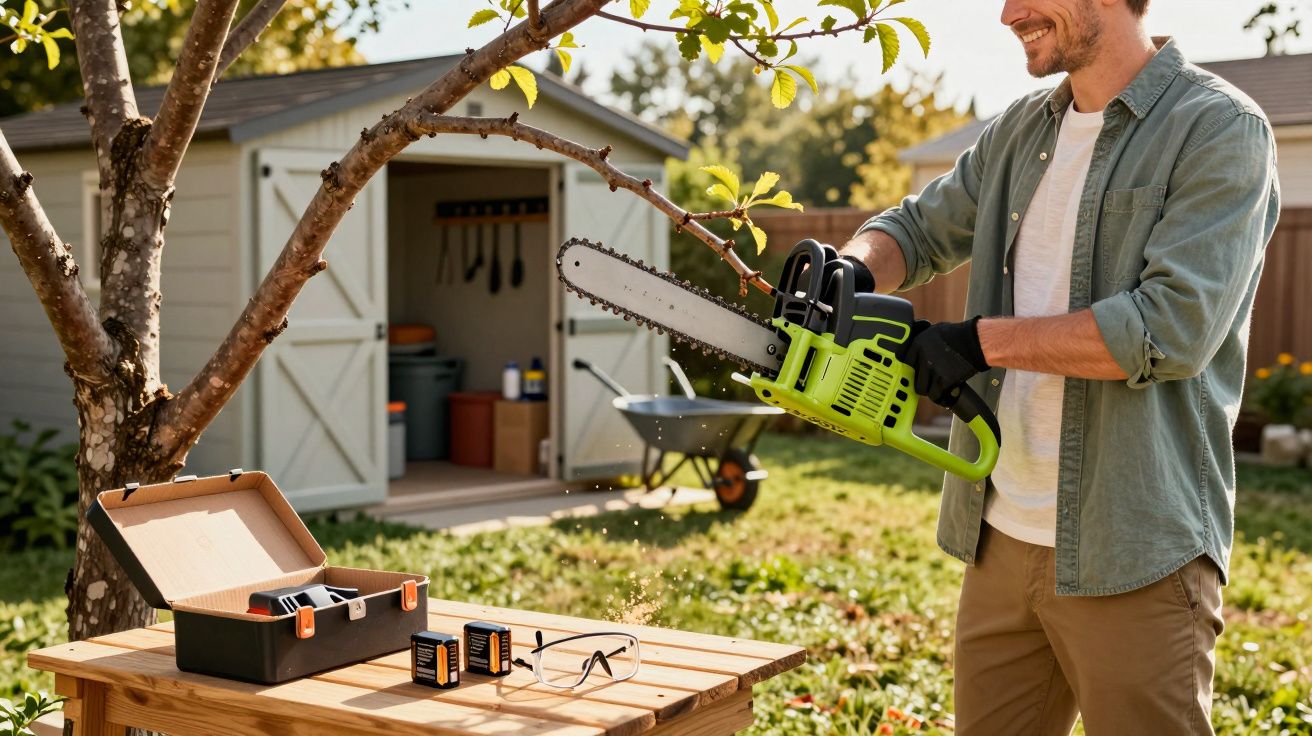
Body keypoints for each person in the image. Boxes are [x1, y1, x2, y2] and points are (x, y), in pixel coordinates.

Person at [839, 1, 1281, 733]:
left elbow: (1170, 329)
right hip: (1002, 535)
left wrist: (980, 344)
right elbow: (916, 228)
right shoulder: (1021, 130)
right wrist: (849, 269)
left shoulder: (1218, 129)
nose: (1008, 12)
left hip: (1134, 549)